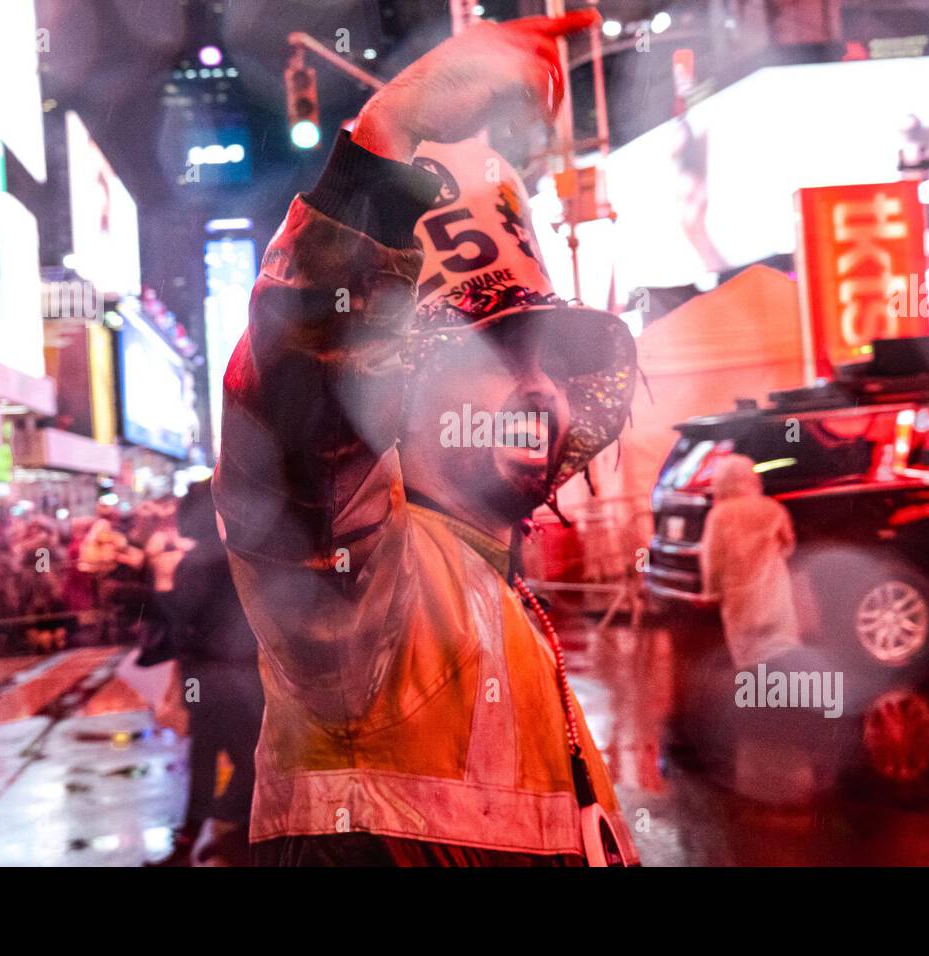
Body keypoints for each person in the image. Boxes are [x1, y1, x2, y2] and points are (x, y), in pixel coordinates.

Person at [216, 11, 640, 866]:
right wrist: (388, 138)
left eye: (555, 360)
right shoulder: (367, 596)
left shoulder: (504, 592)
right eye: (493, 352)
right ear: (398, 393)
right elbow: (300, 408)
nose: (541, 388)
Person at [150, 480, 262, 867]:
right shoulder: (242, 558)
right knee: (243, 755)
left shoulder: (194, 564)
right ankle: (232, 831)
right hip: (243, 676)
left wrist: (162, 588)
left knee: (207, 754)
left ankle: (202, 834)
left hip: (206, 678)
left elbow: (180, 619)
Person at [699, 454, 803, 669]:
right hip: (773, 591)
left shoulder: (719, 515)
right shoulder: (772, 508)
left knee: (749, 657)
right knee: (781, 646)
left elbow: (712, 558)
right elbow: (788, 544)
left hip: (738, 597)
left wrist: (711, 592)